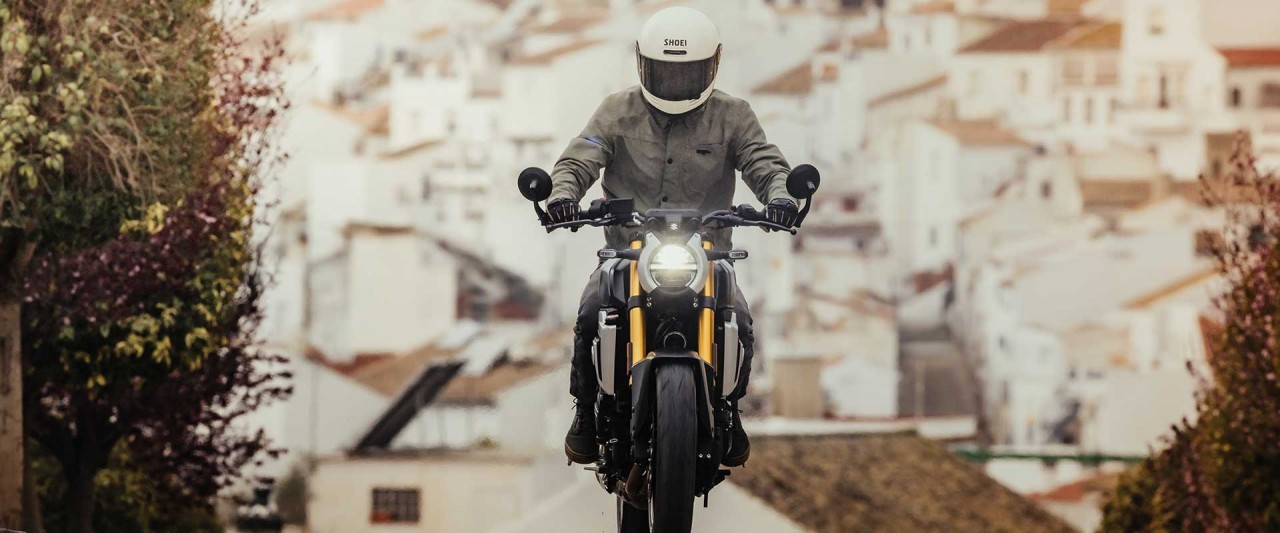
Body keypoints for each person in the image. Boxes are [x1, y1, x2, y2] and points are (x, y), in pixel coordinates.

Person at [547, 6, 799, 468]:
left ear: (712, 64)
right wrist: (563, 195)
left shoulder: (734, 116)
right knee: (589, 312)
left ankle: (729, 411)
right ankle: (585, 410)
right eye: (666, 71)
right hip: (627, 250)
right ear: (643, 62)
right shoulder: (616, 111)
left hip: (707, 252)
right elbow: (580, 158)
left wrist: (781, 197)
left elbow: (765, 163)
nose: (675, 82)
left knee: (741, 321)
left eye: (686, 72)